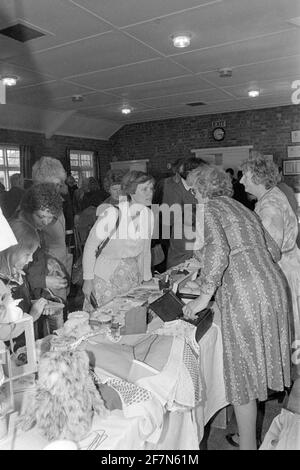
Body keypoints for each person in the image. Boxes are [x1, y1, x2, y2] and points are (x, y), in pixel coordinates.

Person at [182, 165, 291, 450]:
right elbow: (274, 251)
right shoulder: (243, 209)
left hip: (245, 292)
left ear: (202, 190)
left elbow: (218, 251)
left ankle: (247, 447)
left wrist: (204, 296)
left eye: (194, 191)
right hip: (271, 286)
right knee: (252, 372)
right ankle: (248, 438)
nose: (193, 197)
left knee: (242, 376)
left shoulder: (210, 210)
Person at [240, 155, 300, 345]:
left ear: (258, 178)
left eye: (245, 177)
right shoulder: (270, 196)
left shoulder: (270, 205)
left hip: (283, 269)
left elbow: (268, 250)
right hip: (287, 263)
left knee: (288, 325)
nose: (241, 181)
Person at [82, 170, 154, 309]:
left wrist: (146, 278)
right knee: (105, 318)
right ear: (131, 191)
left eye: (151, 188)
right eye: (144, 189)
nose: (150, 193)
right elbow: (90, 247)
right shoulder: (112, 213)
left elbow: (145, 251)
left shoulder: (149, 215)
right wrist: (88, 280)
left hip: (131, 275)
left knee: (127, 317)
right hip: (105, 277)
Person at [0, 219, 48, 344]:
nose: (31, 259)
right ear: (12, 250)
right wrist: (32, 316)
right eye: (27, 254)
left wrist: (34, 304)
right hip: (11, 351)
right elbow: (3, 332)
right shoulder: (2, 285)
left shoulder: (18, 275)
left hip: (27, 340)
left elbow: (20, 303)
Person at [16, 183, 67, 299]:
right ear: (29, 209)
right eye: (42, 216)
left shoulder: (34, 227)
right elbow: (10, 276)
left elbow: (35, 256)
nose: (46, 222)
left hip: (33, 294)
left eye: (51, 217)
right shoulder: (19, 231)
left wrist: (49, 261)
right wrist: (43, 281)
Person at [32, 157, 70, 300]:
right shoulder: (34, 204)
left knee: (61, 303)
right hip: (45, 265)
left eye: (59, 184)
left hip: (59, 260)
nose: (57, 188)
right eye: (54, 184)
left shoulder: (55, 200)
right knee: (54, 311)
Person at [162, 156, 206, 268]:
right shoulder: (172, 187)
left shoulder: (199, 187)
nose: (202, 177)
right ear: (188, 173)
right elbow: (168, 219)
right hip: (182, 241)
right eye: (198, 174)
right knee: (179, 273)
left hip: (199, 238)